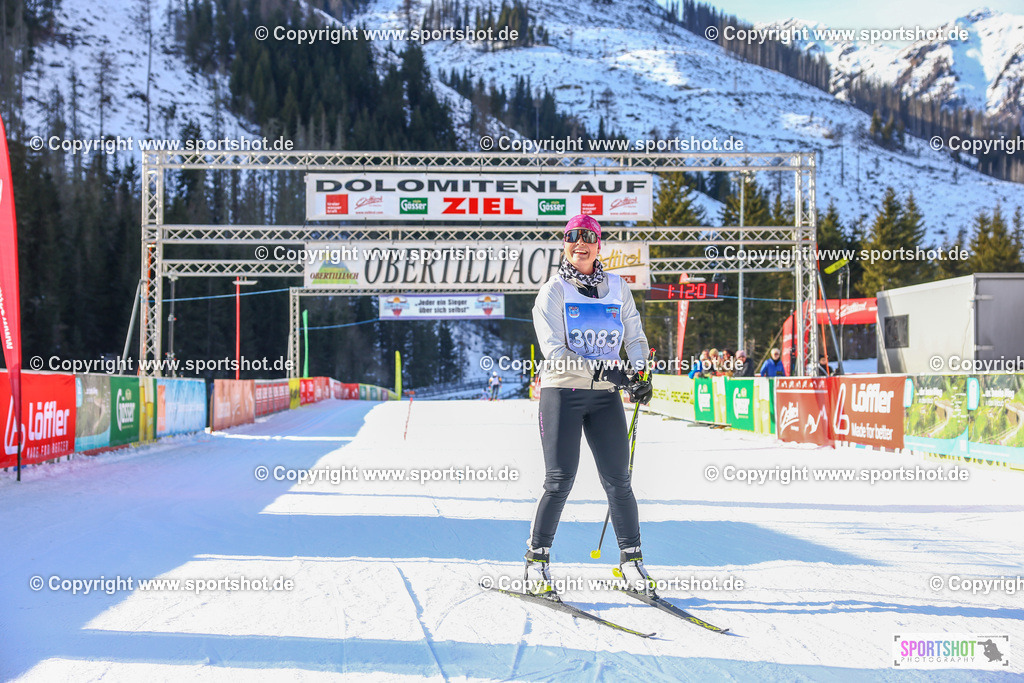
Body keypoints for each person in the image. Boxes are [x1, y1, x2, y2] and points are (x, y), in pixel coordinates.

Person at [528, 214, 655, 599]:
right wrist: (608, 370)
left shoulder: (617, 287)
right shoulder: (553, 290)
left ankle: (631, 563)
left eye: (588, 237)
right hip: (562, 391)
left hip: (604, 396)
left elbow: (634, 335)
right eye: (571, 237)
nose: (579, 243)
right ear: (564, 244)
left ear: (600, 244)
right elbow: (554, 351)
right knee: (560, 479)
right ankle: (536, 562)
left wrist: (640, 373)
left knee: (619, 480)